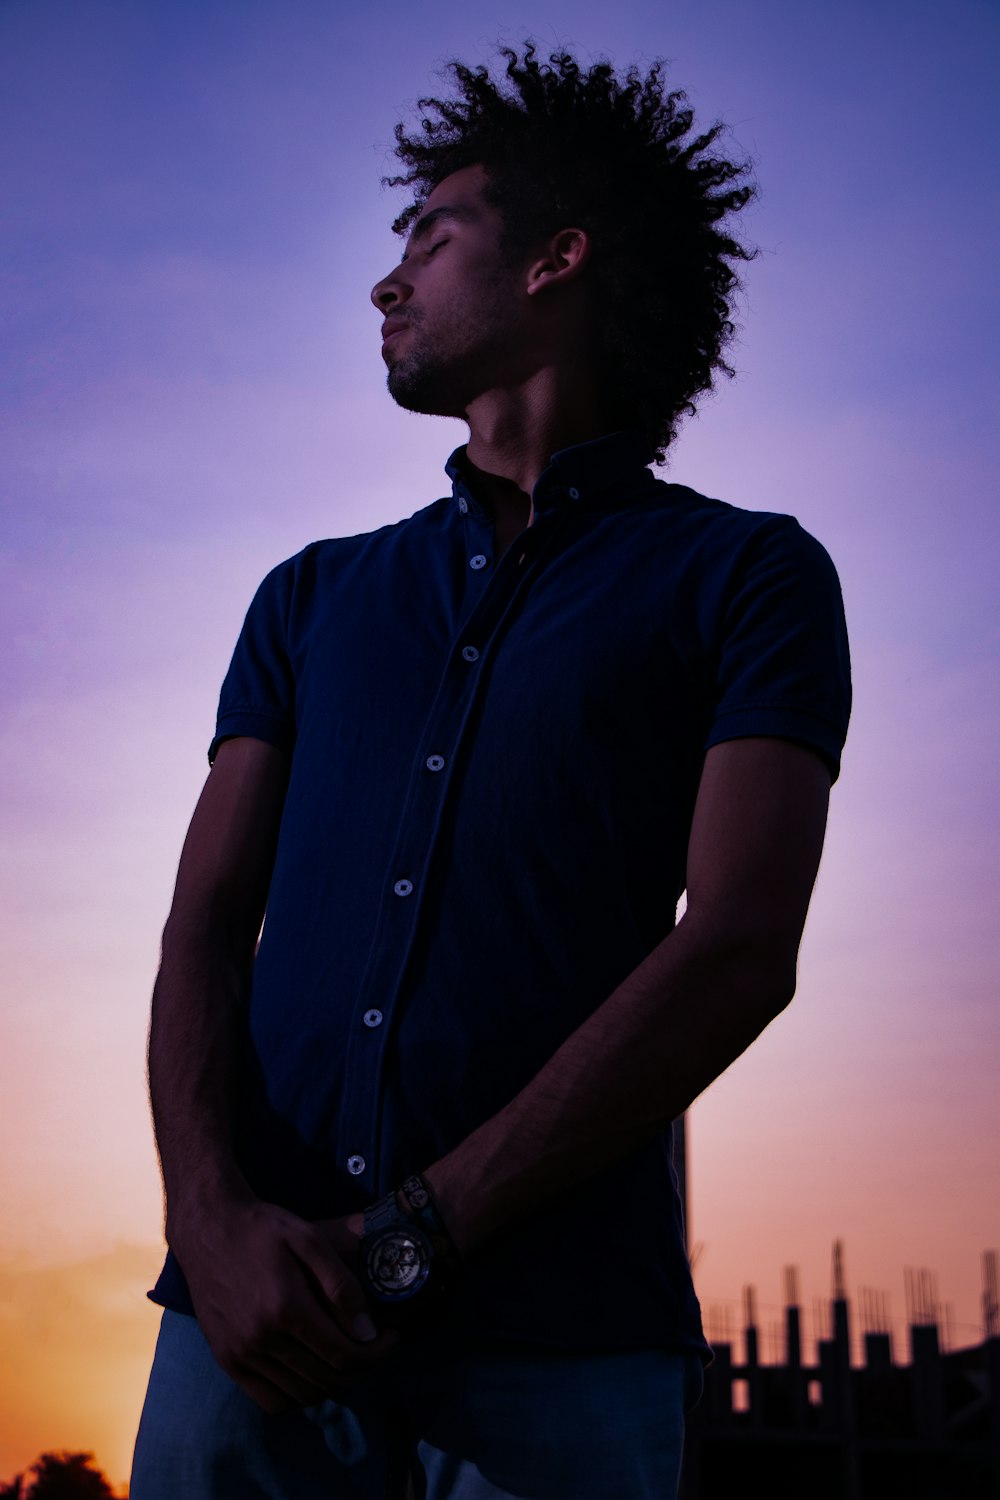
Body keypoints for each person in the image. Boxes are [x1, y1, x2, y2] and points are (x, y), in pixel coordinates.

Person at [131, 44, 851, 1500]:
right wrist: (210, 1228)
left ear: (556, 263)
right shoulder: (311, 597)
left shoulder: (747, 577)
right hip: (242, 1337)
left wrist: (418, 1240)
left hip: (561, 1356)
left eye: (431, 238)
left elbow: (740, 949)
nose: (387, 284)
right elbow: (202, 928)